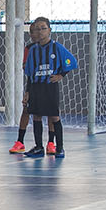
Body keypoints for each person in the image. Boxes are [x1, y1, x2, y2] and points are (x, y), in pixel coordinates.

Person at [22, 16, 79, 159]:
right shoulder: (33, 50)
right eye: (37, 29)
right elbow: (30, 73)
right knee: (36, 115)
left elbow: (71, 61)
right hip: (36, 87)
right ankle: (39, 147)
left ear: (49, 30)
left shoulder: (56, 47)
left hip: (50, 87)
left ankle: (59, 147)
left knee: (54, 116)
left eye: (43, 28)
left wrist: (61, 75)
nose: (40, 32)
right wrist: (27, 92)